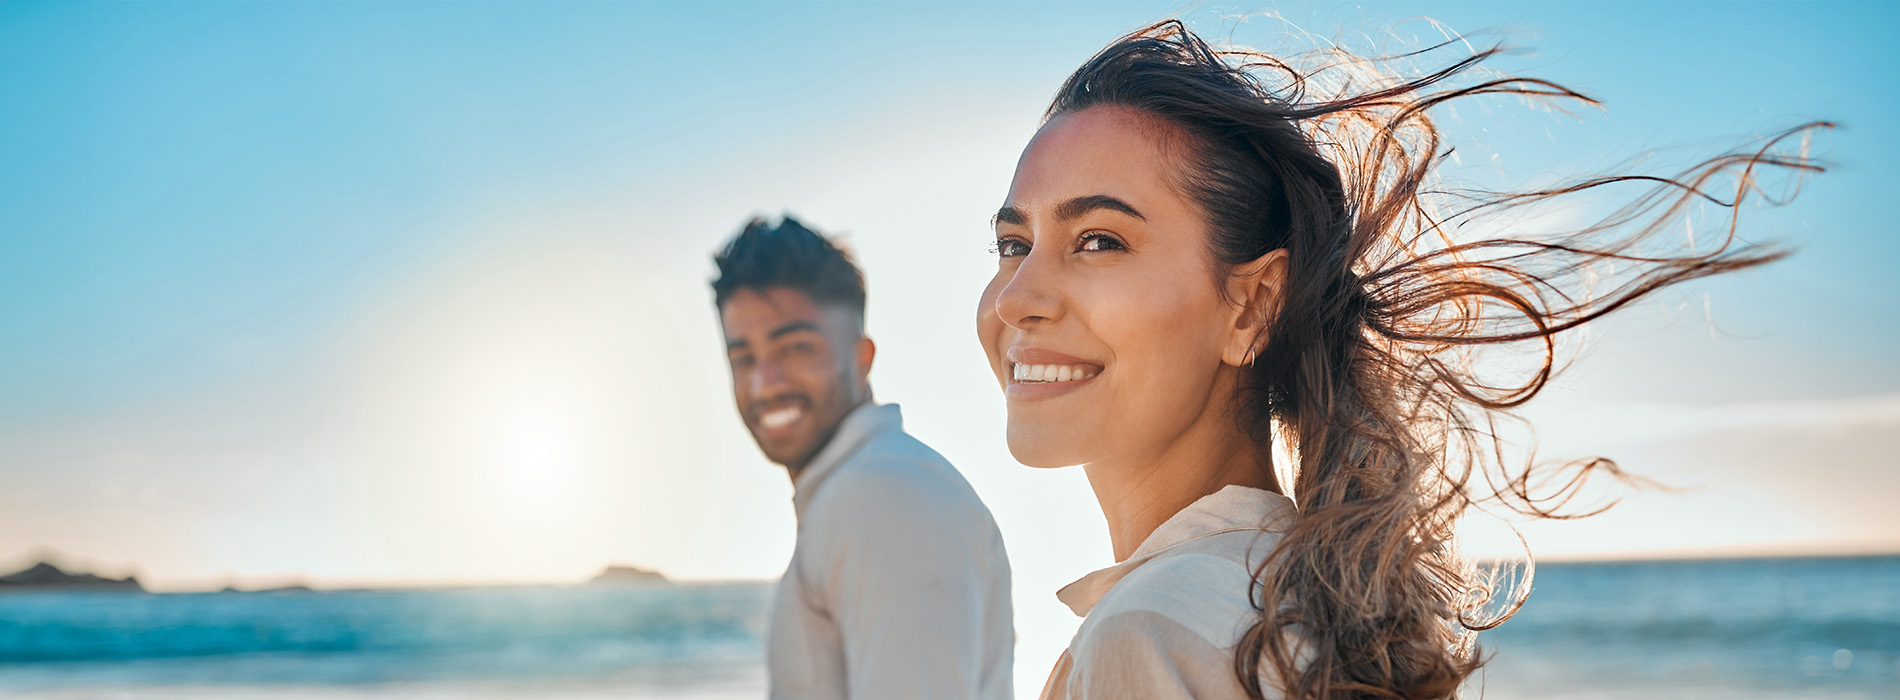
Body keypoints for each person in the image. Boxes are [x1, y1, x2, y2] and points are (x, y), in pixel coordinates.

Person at [975, 20, 1826, 700]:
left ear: (1253, 305)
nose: (1018, 298)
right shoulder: (1293, 599)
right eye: (1013, 244)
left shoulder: (1157, 633)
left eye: (1098, 239)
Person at [714, 216, 1015, 700]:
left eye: (795, 348)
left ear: (862, 358)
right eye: (743, 357)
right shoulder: (868, 486)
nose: (763, 383)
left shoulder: (883, 494)